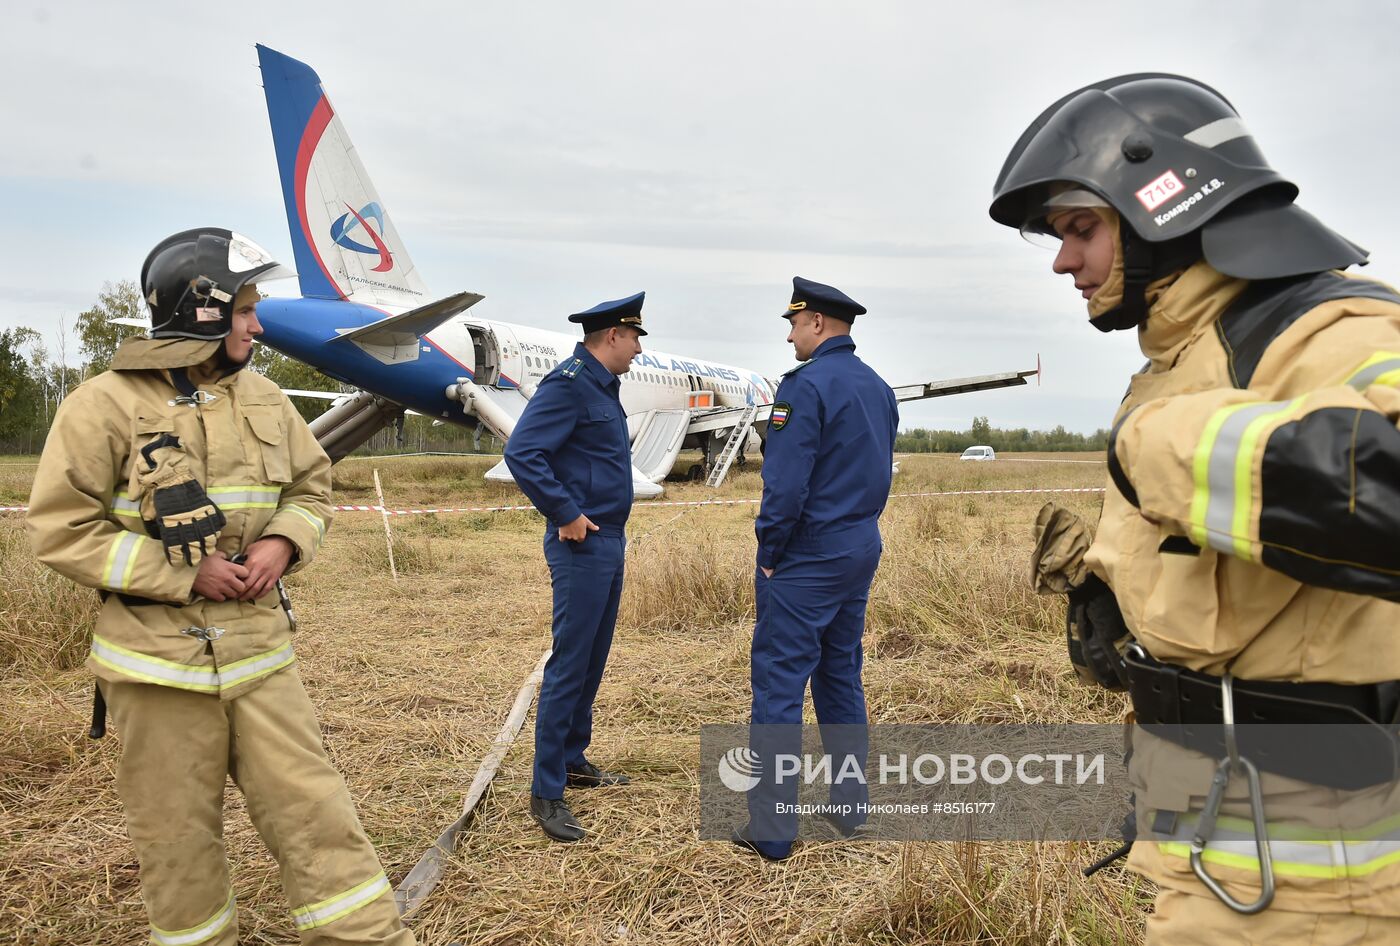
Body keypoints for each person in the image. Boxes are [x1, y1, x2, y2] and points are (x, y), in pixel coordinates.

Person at [994, 75, 1400, 941]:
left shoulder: (1338, 331)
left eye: (1080, 227)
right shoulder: (1185, 353)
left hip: (1326, 880)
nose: (1065, 260)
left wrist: (1162, 447)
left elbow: (1378, 485)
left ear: (1165, 206)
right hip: (1218, 835)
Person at [26, 228, 415, 946]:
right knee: (177, 845)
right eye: (243, 309)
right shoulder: (100, 406)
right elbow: (58, 530)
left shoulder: (264, 397)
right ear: (199, 310)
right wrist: (181, 573)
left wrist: (281, 542)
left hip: (263, 658)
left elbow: (312, 488)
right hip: (156, 669)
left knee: (319, 818)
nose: (256, 324)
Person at [732, 277, 899, 861]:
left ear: (819, 324)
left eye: (795, 324)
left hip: (807, 554)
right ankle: (850, 806)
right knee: (839, 673)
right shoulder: (878, 388)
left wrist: (771, 553)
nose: (790, 335)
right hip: (858, 545)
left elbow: (784, 484)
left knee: (779, 684)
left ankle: (773, 832)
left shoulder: (803, 387)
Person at [503, 291, 646, 843]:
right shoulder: (567, 385)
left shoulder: (603, 387)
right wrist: (564, 511)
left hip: (610, 539)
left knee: (592, 658)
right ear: (612, 336)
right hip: (582, 543)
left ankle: (572, 758)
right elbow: (524, 452)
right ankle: (545, 792)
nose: (637, 350)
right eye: (634, 338)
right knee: (569, 663)